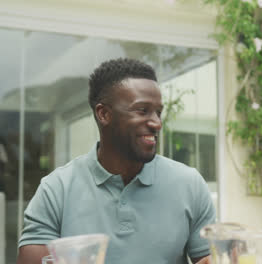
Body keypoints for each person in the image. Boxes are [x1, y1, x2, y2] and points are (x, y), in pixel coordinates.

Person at [17, 58, 215, 264]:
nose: (156, 123)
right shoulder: (56, 190)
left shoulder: (190, 184)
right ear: (104, 114)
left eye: (158, 112)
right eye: (142, 110)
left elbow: (211, 258)